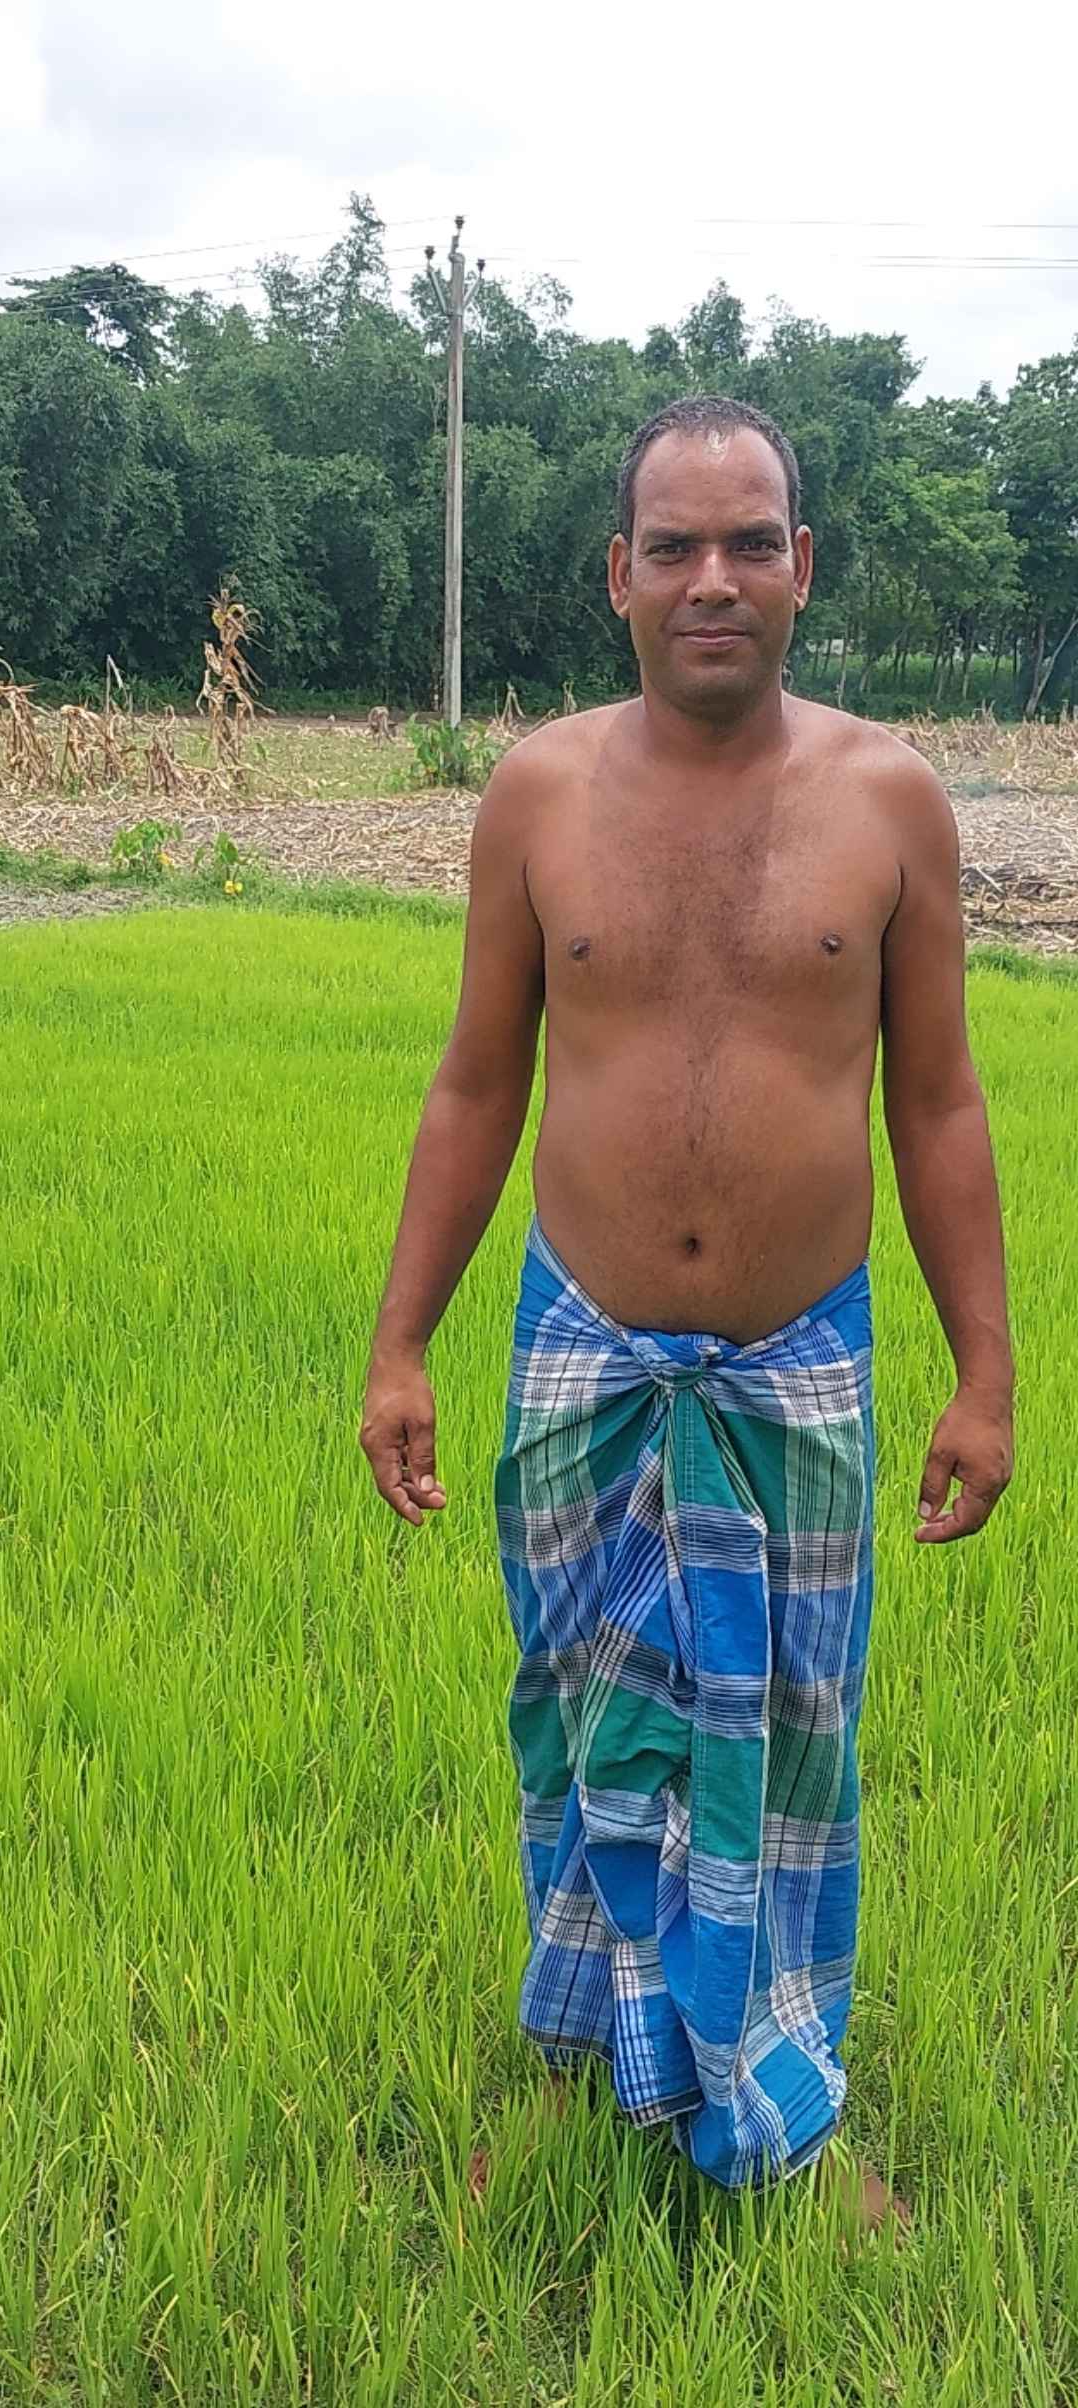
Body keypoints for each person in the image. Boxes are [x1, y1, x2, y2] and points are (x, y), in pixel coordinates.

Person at [360, 395, 1015, 2244]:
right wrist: (402, 1341)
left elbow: (938, 1104)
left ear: (801, 566)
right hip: (586, 1349)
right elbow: (476, 1084)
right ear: (619, 577)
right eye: (675, 545)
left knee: (790, 1745)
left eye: (747, 543)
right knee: (587, 1735)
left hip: (801, 1360)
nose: (711, 577)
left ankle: (785, 2106)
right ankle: (582, 2080)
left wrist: (986, 1373)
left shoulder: (890, 799)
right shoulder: (538, 795)